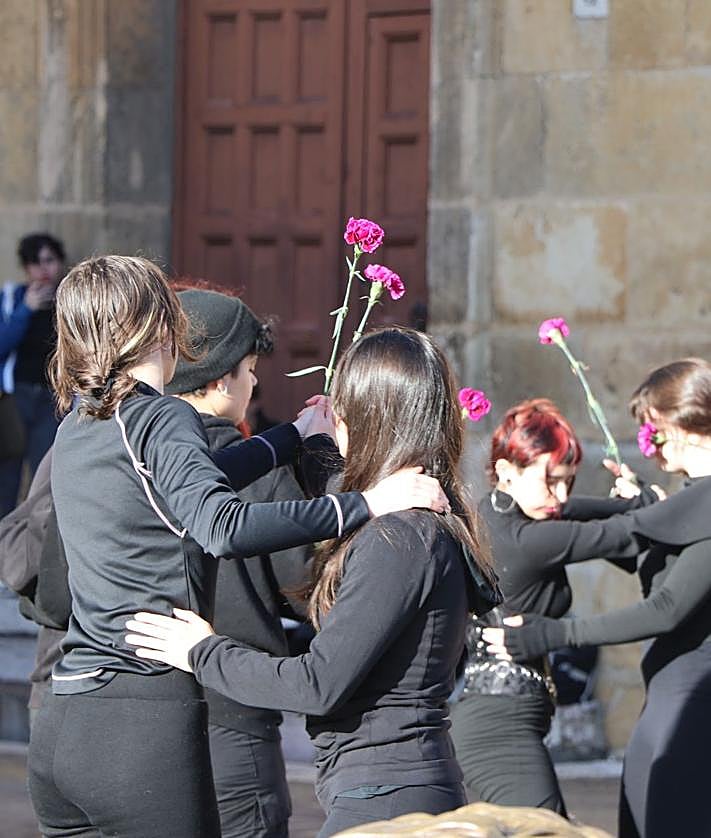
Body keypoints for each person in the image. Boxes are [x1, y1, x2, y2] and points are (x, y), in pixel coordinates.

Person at [27, 256, 449, 838]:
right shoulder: (161, 414)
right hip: (138, 723)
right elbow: (221, 525)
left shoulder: (78, 424)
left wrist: (291, 438)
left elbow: (193, 481)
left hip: (62, 726)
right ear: (161, 329)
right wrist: (369, 504)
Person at [125, 326, 500, 838]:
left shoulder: (403, 537)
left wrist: (202, 652)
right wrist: (303, 440)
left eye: (343, 409)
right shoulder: (407, 522)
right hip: (381, 791)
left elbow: (318, 685)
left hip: (390, 801)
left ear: (369, 418)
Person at [484, 359, 711, 838]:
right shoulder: (691, 498)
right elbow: (642, 544)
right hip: (667, 694)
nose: (650, 436)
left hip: (694, 701)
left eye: (653, 424)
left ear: (684, 423)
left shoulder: (702, 503)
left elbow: (667, 608)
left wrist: (556, 634)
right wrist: (635, 506)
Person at [449, 399, 659, 815]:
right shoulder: (531, 543)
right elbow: (624, 534)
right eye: (550, 480)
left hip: (496, 718)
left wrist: (632, 501)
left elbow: (576, 510)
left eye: (569, 480)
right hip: (499, 729)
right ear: (507, 472)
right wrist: (652, 498)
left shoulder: (494, 515)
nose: (560, 495)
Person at [167, 285, 311, 838]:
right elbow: (305, 585)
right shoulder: (261, 468)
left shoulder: (122, 458)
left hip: (138, 724)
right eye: (249, 368)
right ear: (219, 377)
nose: (255, 383)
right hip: (234, 712)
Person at [0, 233, 66, 517]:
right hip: (16, 398)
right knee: (7, 476)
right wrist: (25, 310)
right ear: (26, 268)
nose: (43, 269)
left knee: (44, 476)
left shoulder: (68, 298)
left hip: (52, 398)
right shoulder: (12, 299)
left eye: (49, 261)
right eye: (35, 263)